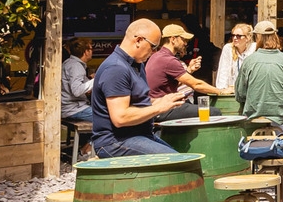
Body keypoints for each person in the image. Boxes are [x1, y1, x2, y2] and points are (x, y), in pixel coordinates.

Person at [89, 18, 188, 158]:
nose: (154, 52)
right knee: (180, 164)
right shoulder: (116, 68)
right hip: (114, 142)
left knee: (186, 161)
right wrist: (159, 108)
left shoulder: (137, 64)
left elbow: (138, 102)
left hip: (138, 135)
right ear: (139, 40)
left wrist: (159, 101)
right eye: (153, 46)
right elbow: (120, 117)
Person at [233, 20, 283, 126]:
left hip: (254, 113)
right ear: (275, 36)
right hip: (282, 112)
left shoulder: (249, 61)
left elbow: (240, 94)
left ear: (257, 37)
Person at [59, 39, 93, 125]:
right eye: (91, 49)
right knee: (107, 117)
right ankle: (90, 139)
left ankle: (87, 138)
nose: (92, 52)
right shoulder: (76, 66)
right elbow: (77, 91)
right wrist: (97, 80)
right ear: (86, 52)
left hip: (70, 108)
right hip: (74, 109)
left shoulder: (70, 63)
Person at [213, 23, 252, 93]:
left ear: (248, 38)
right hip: (232, 91)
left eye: (238, 36)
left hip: (249, 91)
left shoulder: (253, 49)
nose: (235, 38)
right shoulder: (228, 48)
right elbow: (223, 71)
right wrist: (222, 90)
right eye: (233, 35)